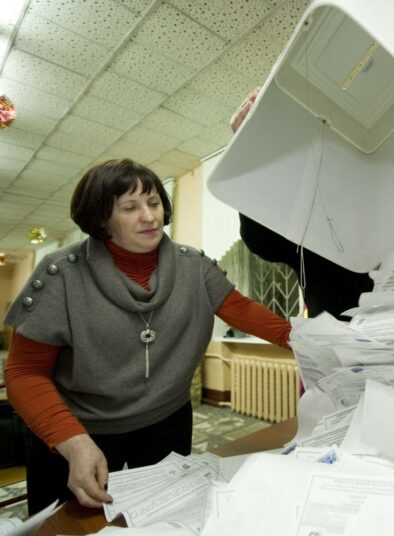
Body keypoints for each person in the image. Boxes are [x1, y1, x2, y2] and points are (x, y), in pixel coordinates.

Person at [4, 159, 293, 513]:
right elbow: (23, 373)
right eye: (130, 207)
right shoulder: (60, 275)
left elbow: (243, 310)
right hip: (78, 431)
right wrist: (72, 441)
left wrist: (308, 340)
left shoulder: (195, 268)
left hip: (166, 423)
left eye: (154, 203)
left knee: (167, 517)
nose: (150, 216)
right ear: (100, 218)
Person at [230, 88, 373, 319]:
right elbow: (261, 239)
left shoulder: (376, 193)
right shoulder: (310, 223)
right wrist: (248, 149)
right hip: (337, 346)